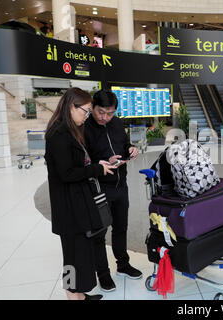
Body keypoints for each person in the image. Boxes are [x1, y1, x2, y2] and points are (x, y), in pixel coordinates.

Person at [44, 88, 116, 300]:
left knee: (79, 257)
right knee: (71, 259)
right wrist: (96, 169)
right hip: (69, 209)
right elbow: (66, 174)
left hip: (76, 204)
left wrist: (96, 164)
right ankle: (73, 296)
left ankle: (80, 295)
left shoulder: (69, 130)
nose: (86, 116)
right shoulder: (58, 134)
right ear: (70, 106)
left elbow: (77, 164)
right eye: (84, 111)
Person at [84, 89, 142, 292]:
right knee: (100, 232)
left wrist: (131, 149)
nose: (105, 117)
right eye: (101, 112)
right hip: (100, 188)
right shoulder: (84, 128)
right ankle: (103, 274)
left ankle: (123, 265)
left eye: (110, 113)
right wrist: (103, 163)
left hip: (120, 185)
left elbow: (124, 144)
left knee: (121, 227)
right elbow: (84, 160)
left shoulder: (116, 123)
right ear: (93, 107)